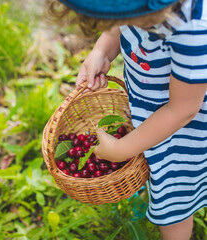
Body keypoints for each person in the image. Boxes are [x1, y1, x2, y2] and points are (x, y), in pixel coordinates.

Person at [49, 0, 207, 239]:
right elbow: (121, 19)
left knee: (175, 203)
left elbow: (182, 110)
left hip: (185, 134)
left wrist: (122, 148)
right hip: (154, 114)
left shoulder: (193, 30)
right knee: (153, 164)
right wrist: (102, 50)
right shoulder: (139, 7)